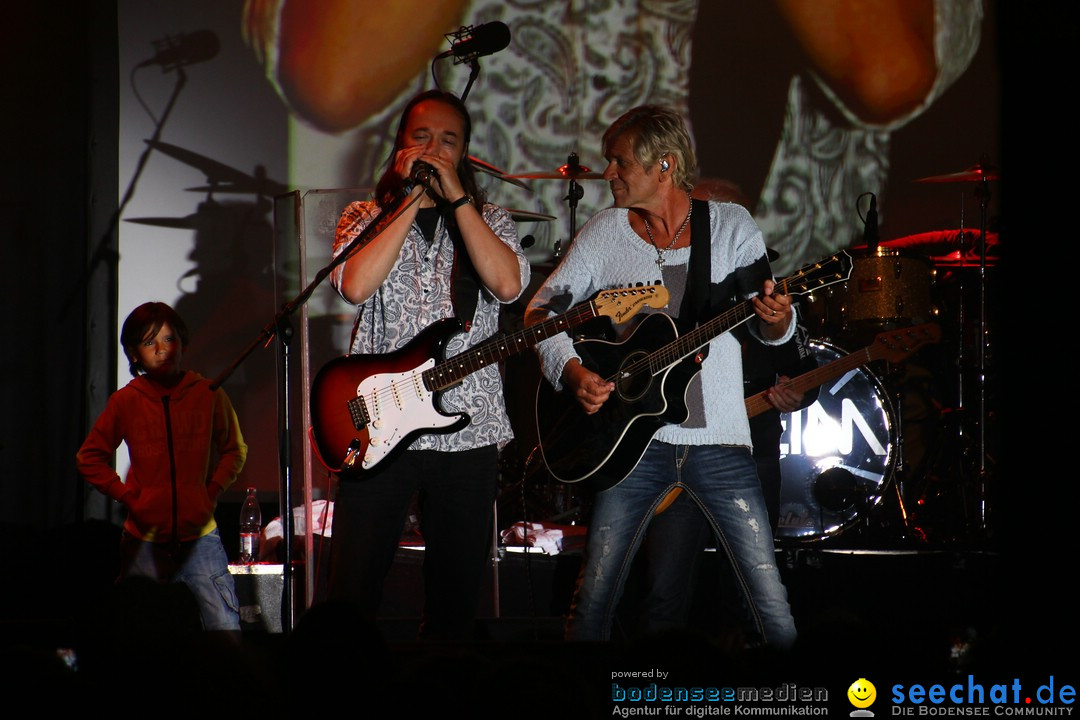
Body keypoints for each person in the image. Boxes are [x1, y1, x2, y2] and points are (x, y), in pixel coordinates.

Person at [525, 105, 797, 648]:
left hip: (719, 441)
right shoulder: (604, 234)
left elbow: (771, 323)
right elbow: (539, 312)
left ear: (664, 165)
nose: (608, 174)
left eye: (620, 163)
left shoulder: (729, 226)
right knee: (594, 603)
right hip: (630, 446)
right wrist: (572, 369)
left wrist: (780, 319)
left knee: (771, 610)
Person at [325, 89, 530, 641]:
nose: (434, 150)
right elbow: (356, 284)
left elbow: (508, 287)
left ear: (464, 153)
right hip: (377, 424)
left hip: (468, 432)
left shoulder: (492, 219)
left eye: (449, 141)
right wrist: (410, 197)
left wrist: (458, 199)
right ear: (399, 146)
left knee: (454, 600)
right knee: (352, 589)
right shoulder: (363, 215)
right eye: (422, 137)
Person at [634, 318, 818, 639]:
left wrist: (802, 392)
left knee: (748, 594)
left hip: (751, 455)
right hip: (678, 451)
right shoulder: (681, 283)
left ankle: (745, 684)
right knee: (663, 593)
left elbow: (803, 365)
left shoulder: (766, 291)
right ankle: (658, 682)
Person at [76, 301, 247, 632]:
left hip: (200, 538)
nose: (161, 349)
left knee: (223, 627)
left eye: (169, 339)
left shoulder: (207, 393)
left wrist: (212, 490)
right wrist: (127, 497)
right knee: (136, 631)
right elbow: (89, 456)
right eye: (149, 342)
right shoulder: (126, 401)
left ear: (182, 342)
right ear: (134, 354)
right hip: (144, 540)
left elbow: (234, 449)